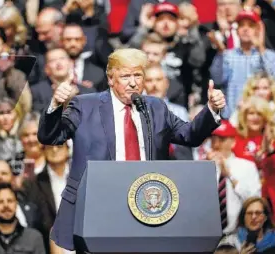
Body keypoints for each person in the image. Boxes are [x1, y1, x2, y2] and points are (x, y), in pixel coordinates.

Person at [37, 48, 226, 251]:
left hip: (145, 206)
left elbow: (190, 135)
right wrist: (56, 104)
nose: (133, 82)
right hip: (98, 209)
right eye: (125, 76)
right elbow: (51, 136)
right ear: (110, 79)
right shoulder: (85, 105)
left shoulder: (155, 107)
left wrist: (212, 110)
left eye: (138, 75)